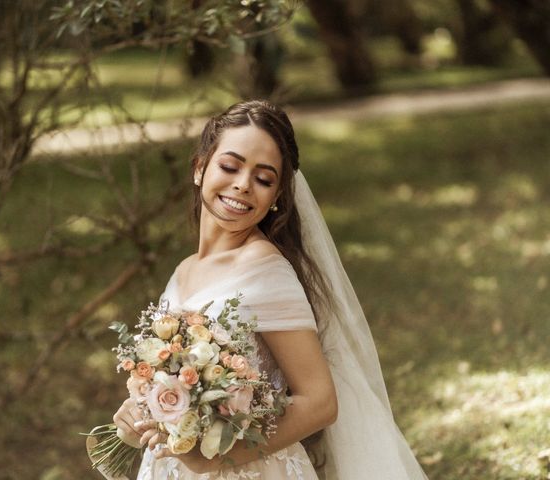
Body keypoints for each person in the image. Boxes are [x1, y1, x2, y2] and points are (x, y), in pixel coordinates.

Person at [112, 100, 429, 479]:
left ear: (277, 196)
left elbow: (320, 402)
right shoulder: (184, 271)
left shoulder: (265, 271)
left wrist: (213, 458)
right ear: (199, 168)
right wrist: (138, 412)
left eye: (263, 179)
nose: (243, 184)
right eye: (230, 166)